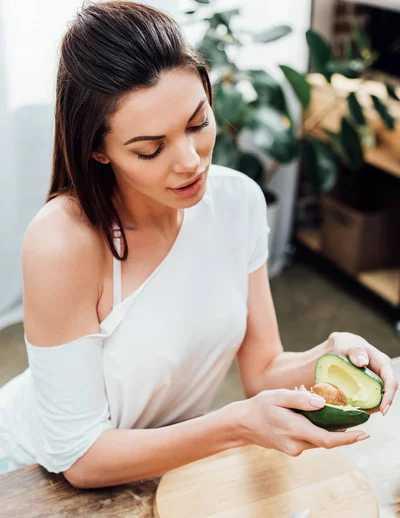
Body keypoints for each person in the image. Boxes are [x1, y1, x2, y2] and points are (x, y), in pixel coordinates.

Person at [0, 1, 397, 488]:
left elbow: (262, 369)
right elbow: (80, 459)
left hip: (153, 472)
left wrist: (328, 356)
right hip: (26, 479)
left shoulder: (236, 201)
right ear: (97, 150)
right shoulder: (63, 241)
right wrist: (236, 425)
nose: (190, 161)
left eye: (197, 123)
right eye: (150, 149)